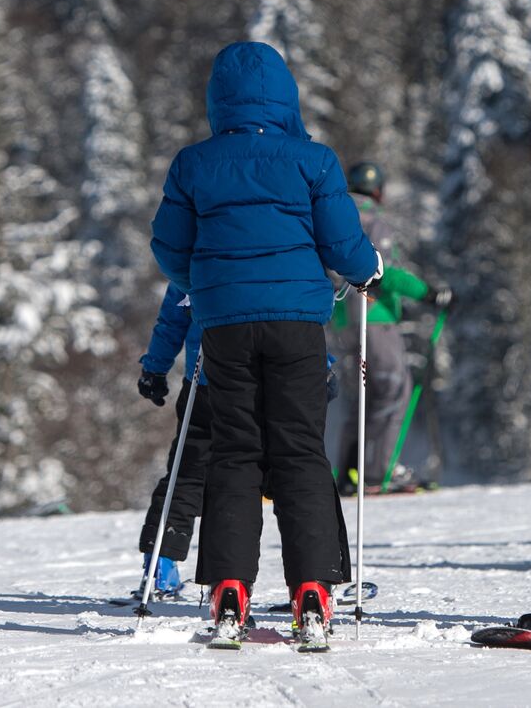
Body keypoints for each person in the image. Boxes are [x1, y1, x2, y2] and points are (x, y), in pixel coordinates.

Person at [150, 41, 381, 644]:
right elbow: (342, 245)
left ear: (216, 99)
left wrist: (209, 279)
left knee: (234, 453)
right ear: (285, 96)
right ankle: (312, 589)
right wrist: (369, 270)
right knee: (300, 451)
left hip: (224, 325)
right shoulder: (313, 160)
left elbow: (169, 248)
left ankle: (229, 589)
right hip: (297, 325)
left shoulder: (193, 164)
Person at [330, 161, 452, 495]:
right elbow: (379, 270)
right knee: (394, 389)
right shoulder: (373, 220)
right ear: (378, 190)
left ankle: (349, 471)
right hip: (375, 316)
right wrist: (427, 292)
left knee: (362, 397)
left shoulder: (335, 213)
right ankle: (379, 471)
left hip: (342, 318)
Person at [134, 283, 209, 597]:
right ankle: (310, 582)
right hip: (273, 377)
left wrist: (155, 366)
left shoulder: (202, 235)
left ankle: (159, 567)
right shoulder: (288, 234)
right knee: (292, 473)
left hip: (205, 378)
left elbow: (175, 310)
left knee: (188, 473)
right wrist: (321, 364)